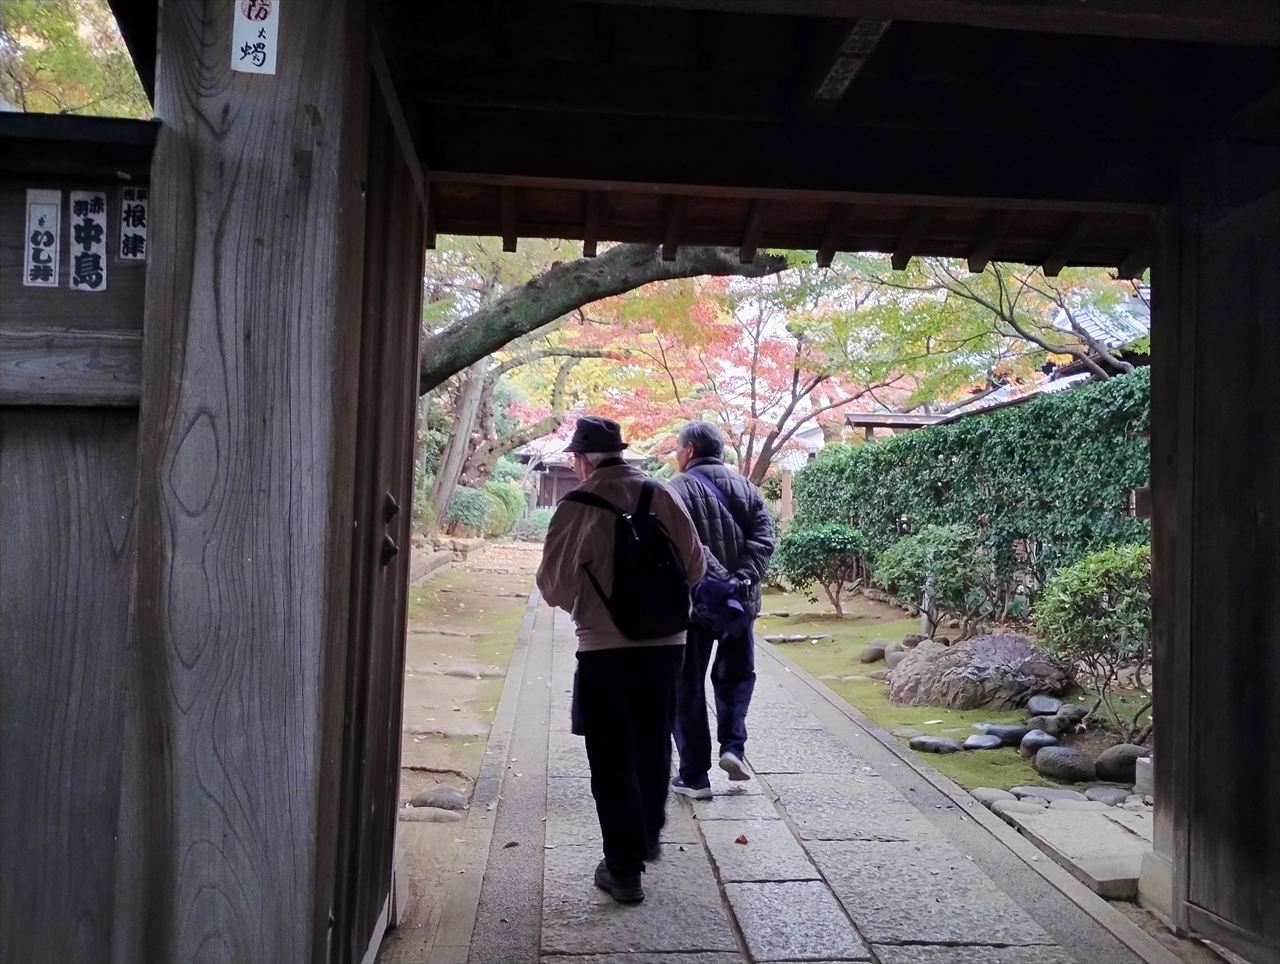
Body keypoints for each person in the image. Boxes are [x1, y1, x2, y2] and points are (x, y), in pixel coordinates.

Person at [536, 416, 706, 904]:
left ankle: (624, 868)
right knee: (654, 742)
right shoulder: (660, 494)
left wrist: (591, 604)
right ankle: (647, 832)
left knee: (610, 757)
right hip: (667, 646)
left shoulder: (575, 506)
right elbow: (694, 565)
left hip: (604, 650)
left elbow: (552, 587)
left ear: (582, 459)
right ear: (621, 451)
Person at [667, 420, 777, 799]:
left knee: (686, 687)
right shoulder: (748, 489)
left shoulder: (675, 491)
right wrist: (741, 579)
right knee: (735, 678)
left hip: (692, 606)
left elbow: (684, 544)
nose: (676, 456)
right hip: (739, 606)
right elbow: (765, 539)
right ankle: (733, 749)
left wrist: (715, 577)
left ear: (691, 450)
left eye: (677, 449)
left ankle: (695, 776)